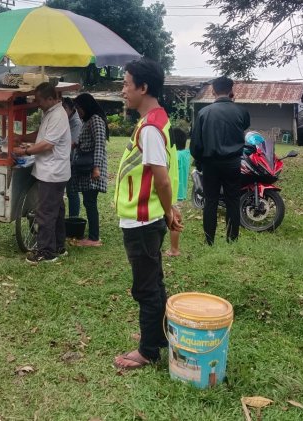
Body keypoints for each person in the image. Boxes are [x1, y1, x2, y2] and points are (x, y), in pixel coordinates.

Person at [113, 58, 183, 370]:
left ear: (143, 87)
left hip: (142, 220)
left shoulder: (151, 128)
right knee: (154, 281)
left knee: (146, 287)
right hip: (146, 217)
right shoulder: (153, 121)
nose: (123, 90)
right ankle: (160, 337)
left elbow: (162, 177)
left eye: (127, 84)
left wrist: (168, 211)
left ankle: (148, 350)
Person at [12, 83, 71, 264]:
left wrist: (25, 151)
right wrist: (23, 138)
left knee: (45, 212)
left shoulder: (58, 116)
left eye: (40, 100)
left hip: (52, 172)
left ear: (51, 99)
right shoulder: (51, 113)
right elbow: (41, 135)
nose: (38, 104)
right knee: (56, 210)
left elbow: (47, 144)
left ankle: (46, 252)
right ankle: (58, 246)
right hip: (52, 170)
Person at [190, 76, 249, 244]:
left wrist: (200, 161)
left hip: (211, 163)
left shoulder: (203, 113)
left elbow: (195, 145)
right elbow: (243, 126)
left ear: (213, 91)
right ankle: (232, 239)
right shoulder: (241, 112)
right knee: (233, 200)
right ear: (231, 91)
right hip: (233, 162)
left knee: (211, 201)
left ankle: (209, 240)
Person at [69, 93, 109, 247]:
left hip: (92, 166)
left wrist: (96, 168)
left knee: (90, 201)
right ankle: (93, 235)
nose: (78, 112)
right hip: (87, 165)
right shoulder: (88, 121)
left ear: (86, 106)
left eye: (79, 108)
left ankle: (94, 238)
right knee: (88, 201)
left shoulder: (96, 120)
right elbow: (86, 141)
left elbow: (99, 144)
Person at [166, 127, 191, 257]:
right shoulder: (186, 154)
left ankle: (174, 250)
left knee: (174, 220)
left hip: (173, 192)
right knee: (175, 219)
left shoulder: (174, 155)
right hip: (181, 193)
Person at [62, 97, 83, 219]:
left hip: (72, 162)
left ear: (72, 109)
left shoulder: (76, 123)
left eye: (65, 108)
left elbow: (72, 144)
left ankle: (73, 219)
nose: (63, 111)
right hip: (64, 160)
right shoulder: (64, 119)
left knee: (72, 192)